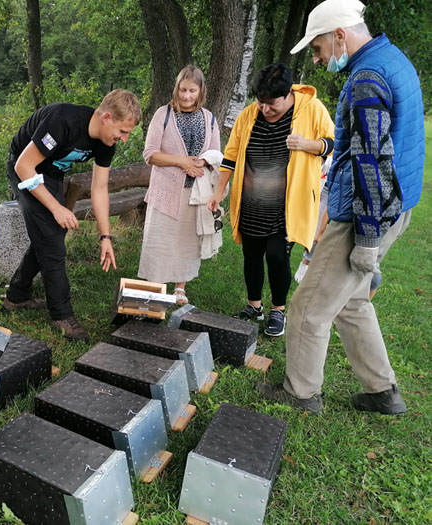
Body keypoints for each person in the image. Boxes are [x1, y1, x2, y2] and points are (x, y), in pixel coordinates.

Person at [257, 0, 424, 414]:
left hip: (365, 215)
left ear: (339, 35)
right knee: (351, 301)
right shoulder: (392, 59)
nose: (317, 59)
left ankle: (300, 393)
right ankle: (382, 392)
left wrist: (365, 237)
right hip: (396, 209)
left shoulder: (367, 78)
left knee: (308, 308)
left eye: (317, 49)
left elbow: (371, 160)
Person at [2, 90, 141, 341]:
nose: (125, 139)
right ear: (107, 117)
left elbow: (99, 189)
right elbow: (24, 167)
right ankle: (62, 314)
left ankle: (17, 296)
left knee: (50, 235)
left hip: (51, 174)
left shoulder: (106, 143)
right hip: (23, 168)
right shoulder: (62, 120)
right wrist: (56, 208)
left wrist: (105, 236)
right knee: (53, 240)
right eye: (123, 132)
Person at [208, 63, 334, 337]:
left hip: (288, 205)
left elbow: (333, 142)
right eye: (260, 102)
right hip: (251, 202)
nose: (264, 109)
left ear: (289, 93)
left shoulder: (312, 109)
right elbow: (230, 155)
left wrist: (308, 145)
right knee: (251, 255)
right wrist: (219, 191)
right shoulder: (249, 115)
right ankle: (254, 305)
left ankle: (278, 310)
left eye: (271, 103)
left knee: (277, 256)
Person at [138, 66, 222, 305]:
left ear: (200, 91)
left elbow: (216, 153)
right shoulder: (162, 115)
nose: (186, 96)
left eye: (192, 90)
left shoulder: (209, 118)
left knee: (186, 241)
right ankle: (155, 288)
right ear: (176, 89)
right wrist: (181, 162)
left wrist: (203, 161)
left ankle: (180, 288)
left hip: (195, 191)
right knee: (159, 240)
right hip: (166, 189)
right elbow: (150, 154)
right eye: (183, 90)